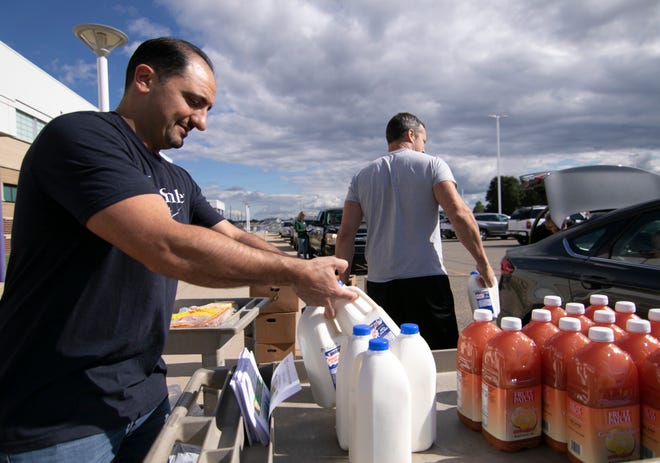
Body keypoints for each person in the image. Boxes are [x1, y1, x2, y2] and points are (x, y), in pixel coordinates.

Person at [0, 37, 355, 462]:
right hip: (59, 416)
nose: (202, 122)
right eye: (193, 101)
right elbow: (166, 246)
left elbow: (236, 238)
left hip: (145, 395)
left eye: (208, 109)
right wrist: (296, 275)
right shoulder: (80, 138)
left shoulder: (179, 179)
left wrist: (308, 266)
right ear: (145, 79)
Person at [334, 112, 496, 349]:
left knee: (388, 357)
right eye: (424, 141)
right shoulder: (432, 164)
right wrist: (483, 263)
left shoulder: (361, 177)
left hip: (380, 286)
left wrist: (344, 283)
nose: (424, 147)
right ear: (411, 135)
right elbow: (459, 214)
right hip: (427, 282)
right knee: (440, 357)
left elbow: (346, 233)